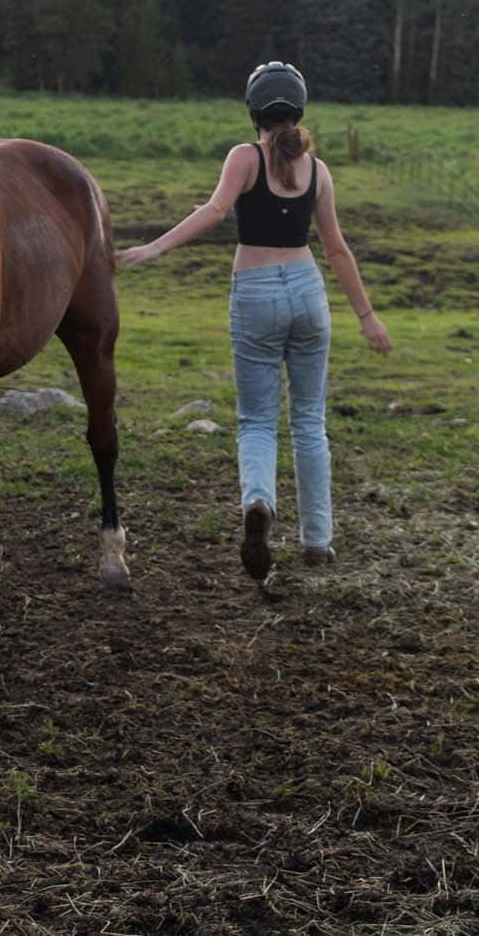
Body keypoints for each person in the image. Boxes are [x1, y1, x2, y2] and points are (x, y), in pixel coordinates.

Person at [115, 61, 390, 580]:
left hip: (257, 294)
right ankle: (318, 541)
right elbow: (337, 249)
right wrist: (368, 316)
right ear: (300, 112)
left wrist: (154, 247)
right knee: (309, 421)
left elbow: (216, 211)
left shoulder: (245, 158)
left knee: (258, 421)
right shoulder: (319, 170)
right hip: (309, 294)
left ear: (253, 113)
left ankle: (258, 504)